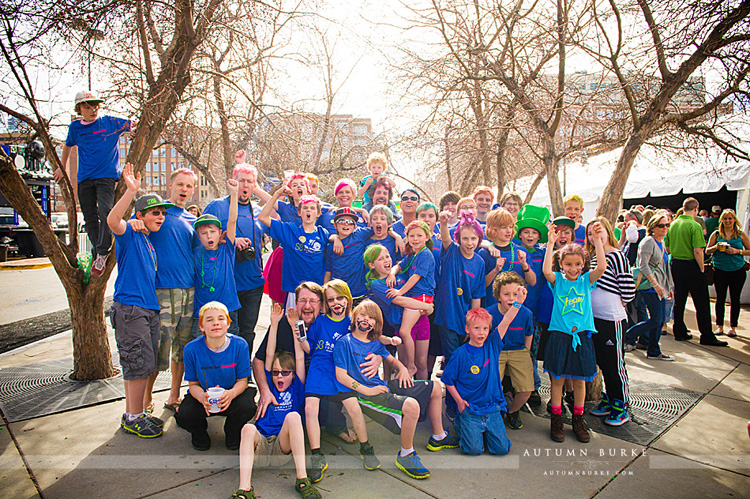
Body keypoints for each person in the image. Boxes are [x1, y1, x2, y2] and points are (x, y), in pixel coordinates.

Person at [333, 300, 458, 480]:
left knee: (435, 388)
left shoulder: (374, 342)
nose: (366, 319)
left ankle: (438, 437)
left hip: (382, 387)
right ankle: (406, 454)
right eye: (362, 315)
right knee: (412, 406)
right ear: (354, 317)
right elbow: (341, 376)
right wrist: (366, 391)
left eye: (371, 317)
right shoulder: (345, 343)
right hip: (367, 395)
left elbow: (391, 360)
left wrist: (403, 369)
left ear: (376, 323)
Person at [106, 163, 169, 438]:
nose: (161, 217)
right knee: (135, 362)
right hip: (131, 308)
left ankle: (138, 412)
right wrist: (131, 191)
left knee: (145, 362)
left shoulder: (148, 241)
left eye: (163, 213)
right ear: (140, 214)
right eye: (156, 212)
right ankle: (132, 416)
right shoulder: (130, 233)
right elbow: (112, 221)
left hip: (148, 309)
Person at [232, 303, 321, 499]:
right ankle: (244, 489)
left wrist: (295, 326)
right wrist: (273, 324)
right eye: (276, 373)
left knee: (294, 417)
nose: (280, 377)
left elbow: (299, 357)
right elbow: (269, 354)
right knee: (247, 428)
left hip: (283, 447)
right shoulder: (271, 385)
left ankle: (302, 479)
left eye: (285, 373)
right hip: (262, 447)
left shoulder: (297, 385)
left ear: (293, 374)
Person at [57, 91, 135, 276]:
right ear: (79, 110)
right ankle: (98, 251)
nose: (93, 110)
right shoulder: (75, 128)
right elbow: (68, 145)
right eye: (87, 107)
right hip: (84, 178)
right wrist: (63, 167)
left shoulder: (108, 122)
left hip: (106, 177)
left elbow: (133, 125)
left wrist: (133, 132)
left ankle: (102, 252)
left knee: (105, 212)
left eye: (95, 106)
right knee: (89, 217)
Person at [542, 221, 607, 443]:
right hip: (560, 338)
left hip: (581, 338)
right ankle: (557, 418)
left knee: (580, 381)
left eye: (577, 264)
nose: (572, 268)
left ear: (582, 265)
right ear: (561, 264)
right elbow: (545, 271)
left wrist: (597, 241)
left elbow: (601, 268)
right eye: (568, 264)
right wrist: (551, 244)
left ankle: (578, 419)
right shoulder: (557, 281)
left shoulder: (585, 281)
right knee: (557, 380)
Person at [204, 156, 269, 357]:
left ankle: (243, 372)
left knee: (248, 332)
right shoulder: (216, 206)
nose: (246, 185)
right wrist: (230, 238)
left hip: (252, 283)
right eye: (241, 180)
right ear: (233, 182)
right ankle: (224, 371)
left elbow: (281, 212)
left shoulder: (259, 211)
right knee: (226, 332)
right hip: (226, 282)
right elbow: (201, 235)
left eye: (250, 181)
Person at [145, 168, 199, 413]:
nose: (184, 190)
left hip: (190, 291)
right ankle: (145, 398)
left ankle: (174, 395)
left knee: (183, 347)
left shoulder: (192, 220)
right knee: (159, 348)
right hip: (163, 291)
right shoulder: (159, 213)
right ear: (170, 186)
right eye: (180, 184)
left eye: (189, 186)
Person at [442, 299, 525, 455]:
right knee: (474, 450)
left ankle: (485, 432)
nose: (481, 333)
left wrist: (518, 303)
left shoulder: (492, 345)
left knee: (501, 449)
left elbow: (506, 322)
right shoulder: (459, 354)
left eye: (485, 328)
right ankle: (462, 424)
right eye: (477, 328)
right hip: (470, 409)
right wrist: (459, 402)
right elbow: (448, 380)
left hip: (491, 408)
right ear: (467, 329)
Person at [176, 302, 256, 451]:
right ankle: (199, 433)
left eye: (221, 319)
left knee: (248, 406)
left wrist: (230, 394)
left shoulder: (240, 345)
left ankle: (233, 432)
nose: (216, 323)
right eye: (209, 320)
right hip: (205, 397)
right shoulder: (191, 349)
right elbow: (193, 384)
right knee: (184, 414)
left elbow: (243, 381)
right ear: (201, 326)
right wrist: (202, 398)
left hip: (231, 394)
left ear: (227, 324)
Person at [296, 280, 354, 482]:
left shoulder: (353, 322)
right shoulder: (320, 322)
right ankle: (316, 454)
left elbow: (369, 340)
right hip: (319, 370)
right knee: (310, 409)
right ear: (326, 303)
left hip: (341, 371)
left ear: (348, 298)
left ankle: (364, 443)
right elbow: (309, 347)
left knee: (353, 405)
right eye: (330, 300)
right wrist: (299, 332)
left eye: (339, 298)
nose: (335, 303)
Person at [585, 217, 635, 427]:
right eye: (590, 233)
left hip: (611, 319)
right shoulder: (592, 258)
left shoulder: (617, 256)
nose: (594, 236)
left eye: (598, 231)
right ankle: (609, 399)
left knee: (615, 364)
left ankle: (622, 404)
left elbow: (628, 290)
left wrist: (616, 305)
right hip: (594, 319)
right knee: (603, 363)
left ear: (608, 231)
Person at [365, 244, 434, 380]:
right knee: (405, 365)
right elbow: (400, 301)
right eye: (380, 259)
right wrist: (426, 306)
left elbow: (402, 266)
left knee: (422, 363)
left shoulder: (401, 275)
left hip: (421, 321)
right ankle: (406, 396)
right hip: (403, 324)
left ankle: (423, 396)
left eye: (387, 256)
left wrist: (392, 273)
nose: (386, 260)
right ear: (372, 265)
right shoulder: (377, 284)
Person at [665, 197, 727, 346]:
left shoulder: (673, 224)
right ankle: (706, 335)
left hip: (676, 264)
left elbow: (667, 247)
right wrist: (701, 268)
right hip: (691, 264)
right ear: (696, 209)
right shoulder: (694, 225)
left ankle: (678, 331)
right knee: (701, 302)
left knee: (680, 299)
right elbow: (698, 250)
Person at [259, 186, 329, 309]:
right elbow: (263, 217)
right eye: (305, 208)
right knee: (295, 325)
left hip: (317, 290)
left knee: (314, 326)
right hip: (294, 290)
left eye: (312, 208)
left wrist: (336, 238)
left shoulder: (324, 234)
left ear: (318, 213)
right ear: (299, 212)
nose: (308, 211)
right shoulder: (289, 230)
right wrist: (276, 194)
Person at [434, 211, 486, 372]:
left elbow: (476, 296)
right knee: (452, 357)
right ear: (458, 239)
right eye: (465, 238)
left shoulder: (479, 262)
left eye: (473, 238)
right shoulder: (452, 251)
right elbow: (445, 238)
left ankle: (462, 390)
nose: (469, 243)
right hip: (447, 317)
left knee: (464, 357)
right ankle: (451, 394)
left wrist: (473, 324)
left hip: (465, 319)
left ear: (479, 240)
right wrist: (443, 223)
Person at [190, 180, 241, 338]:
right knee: (201, 348)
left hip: (228, 308)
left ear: (220, 233)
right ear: (198, 237)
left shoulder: (226, 250)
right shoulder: (196, 253)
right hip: (203, 311)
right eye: (204, 234)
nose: (209, 236)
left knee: (229, 346)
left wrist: (234, 194)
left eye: (212, 231)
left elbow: (232, 221)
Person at [387, 220, 437, 377]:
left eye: (419, 236)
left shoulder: (425, 254)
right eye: (412, 236)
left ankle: (411, 366)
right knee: (405, 331)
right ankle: (410, 365)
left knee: (404, 330)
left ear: (427, 237)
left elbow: (415, 277)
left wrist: (400, 292)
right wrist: (392, 273)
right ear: (406, 237)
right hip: (415, 297)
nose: (415, 239)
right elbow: (399, 265)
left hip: (421, 297)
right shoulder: (413, 255)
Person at [486, 272, 535, 430]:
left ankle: (512, 410)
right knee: (492, 383)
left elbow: (529, 333)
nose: (511, 298)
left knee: (526, 389)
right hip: (496, 351)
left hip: (518, 350)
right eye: (506, 294)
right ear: (498, 296)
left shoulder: (526, 314)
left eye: (516, 294)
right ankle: (496, 409)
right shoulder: (490, 313)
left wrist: (526, 353)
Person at [625, 211, 675, 360]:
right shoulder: (648, 241)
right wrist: (656, 285)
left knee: (658, 321)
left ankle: (653, 350)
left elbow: (665, 267)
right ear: (653, 227)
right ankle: (628, 336)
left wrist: (668, 287)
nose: (665, 228)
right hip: (650, 287)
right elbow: (643, 266)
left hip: (661, 286)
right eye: (661, 226)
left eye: (667, 225)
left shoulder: (662, 241)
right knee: (655, 320)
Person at [480, 208, 535, 309]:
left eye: (511, 226)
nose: (509, 230)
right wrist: (495, 270)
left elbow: (532, 282)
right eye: (504, 227)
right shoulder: (485, 253)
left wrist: (525, 266)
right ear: (493, 229)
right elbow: (481, 286)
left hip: (517, 309)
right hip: (491, 310)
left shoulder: (521, 251)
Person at [707, 209, 750, 338]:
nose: (728, 221)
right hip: (720, 270)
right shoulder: (716, 234)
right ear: (721, 220)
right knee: (720, 298)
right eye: (725, 219)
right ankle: (719, 326)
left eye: (730, 219)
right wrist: (716, 247)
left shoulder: (740, 234)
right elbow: (707, 250)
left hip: (737, 270)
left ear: (734, 220)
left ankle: (733, 327)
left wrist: (737, 252)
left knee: (735, 299)